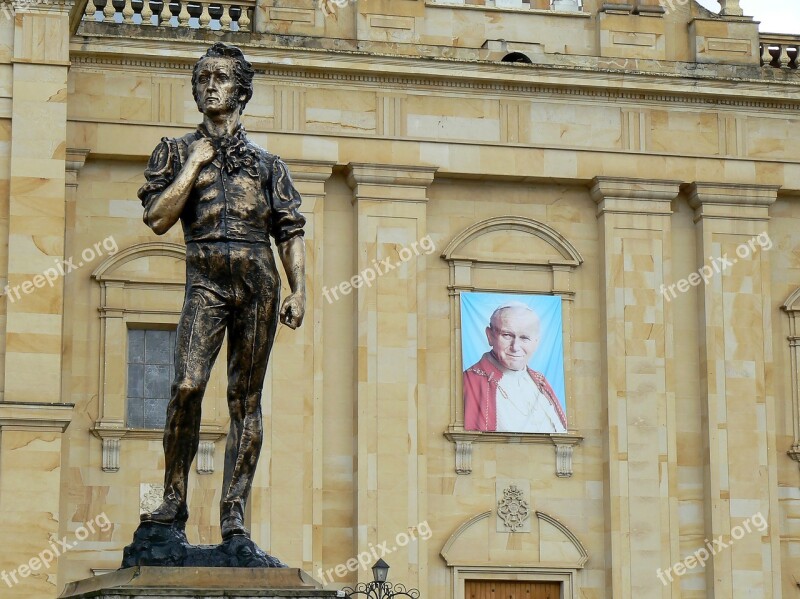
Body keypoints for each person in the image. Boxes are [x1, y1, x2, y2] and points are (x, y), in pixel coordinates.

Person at [137, 43, 306, 541]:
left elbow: (290, 230)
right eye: (203, 78)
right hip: (205, 278)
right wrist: (194, 165)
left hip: (258, 283)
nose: (210, 85)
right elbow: (157, 218)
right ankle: (173, 500)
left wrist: (300, 290)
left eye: (221, 78)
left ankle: (233, 512)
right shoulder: (174, 150)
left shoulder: (268, 165)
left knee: (244, 400)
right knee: (187, 386)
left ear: (242, 91)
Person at [463, 302, 567, 433]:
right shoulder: (470, 381)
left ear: (536, 342)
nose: (515, 347)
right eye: (507, 335)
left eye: (525, 338)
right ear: (490, 336)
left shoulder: (540, 382)